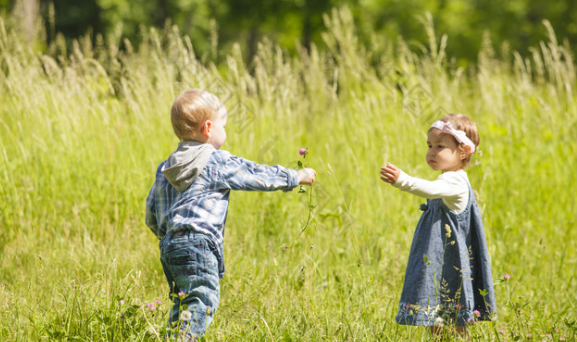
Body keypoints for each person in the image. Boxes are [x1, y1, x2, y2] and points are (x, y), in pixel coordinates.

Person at [145, 88, 316, 340]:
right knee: (202, 300)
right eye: (223, 126)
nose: (226, 131)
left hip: (170, 245)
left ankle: (171, 338)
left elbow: (151, 211)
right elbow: (255, 175)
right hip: (199, 244)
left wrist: (169, 236)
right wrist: (296, 176)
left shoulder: (167, 167)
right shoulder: (214, 161)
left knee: (182, 302)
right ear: (208, 128)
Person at [380, 113, 496, 338]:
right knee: (438, 311)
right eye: (430, 145)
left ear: (463, 151)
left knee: (454, 313)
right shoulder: (449, 177)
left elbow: (430, 190)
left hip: (450, 261)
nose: (431, 152)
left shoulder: (455, 181)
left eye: (440, 146)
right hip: (442, 259)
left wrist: (402, 180)